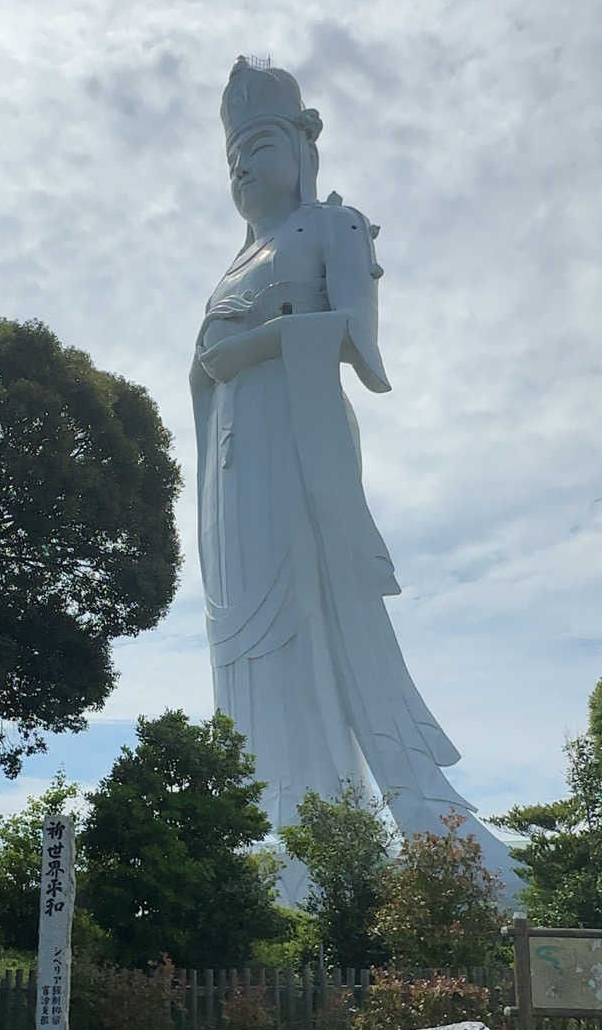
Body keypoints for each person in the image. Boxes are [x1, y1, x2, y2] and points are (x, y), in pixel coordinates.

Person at [189, 56, 519, 903]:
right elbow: (206, 367)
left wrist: (255, 346)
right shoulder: (235, 264)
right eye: (232, 154)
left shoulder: (332, 227)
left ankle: (334, 855)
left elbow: (358, 345)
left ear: (303, 149)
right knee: (244, 652)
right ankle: (265, 856)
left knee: (307, 627)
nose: (241, 166)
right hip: (233, 470)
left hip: (298, 445)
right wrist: (220, 364)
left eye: (258, 145)